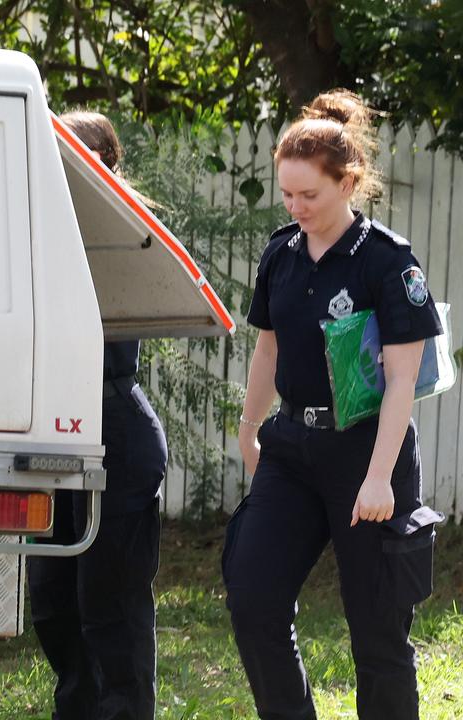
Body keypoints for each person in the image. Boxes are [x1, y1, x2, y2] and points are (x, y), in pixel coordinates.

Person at [225, 90, 445, 719]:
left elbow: (402, 379)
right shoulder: (281, 253)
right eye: (287, 195)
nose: (296, 208)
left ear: (347, 182)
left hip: (367, 452)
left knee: (378, 632)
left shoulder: (386, 260)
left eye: (309, 196)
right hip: (292, 450)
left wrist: (379, 479)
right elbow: (267, 349)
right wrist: (250, 428)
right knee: (253, 596)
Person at [27, 111, 168, 720]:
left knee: (110, 611)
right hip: (45, 438)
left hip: (115, 437)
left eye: (77, 165)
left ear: (106, 170)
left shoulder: (124, 235)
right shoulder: (32, 231)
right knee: (53, 608)